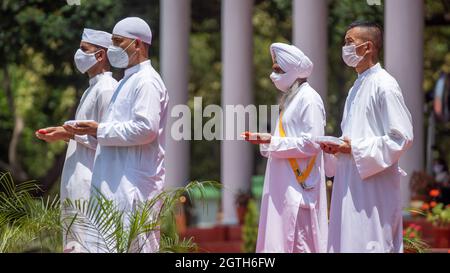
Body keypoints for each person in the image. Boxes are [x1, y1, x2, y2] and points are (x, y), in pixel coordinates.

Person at [64, 17, 169, 253]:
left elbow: (145, 129)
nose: (113, 49)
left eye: (118, 42)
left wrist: (97, 129)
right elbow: (114, 135)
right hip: (112, 187)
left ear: (138, 44)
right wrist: (83, 133)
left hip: (132, 188)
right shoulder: (126, 81)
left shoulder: (147, 81)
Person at [321, 21, 413, 253]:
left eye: (349, 43)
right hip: (349, 182)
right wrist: (337, 147)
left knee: (371, 244)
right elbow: (352, 138)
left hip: (374, 188)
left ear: (368, 47)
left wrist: (354, 148)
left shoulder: (385, 85)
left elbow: (401, 137)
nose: (345, 48)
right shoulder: (356, 87)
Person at [35, 28, 117, 252]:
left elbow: (109, 140)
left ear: (100, 55)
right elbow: (89, 135)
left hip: (89, 184)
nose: (78, 54)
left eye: (84, 49)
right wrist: (66, 133)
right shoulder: (92, 89)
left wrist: (70, 133)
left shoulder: (108, 89)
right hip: (76, 183)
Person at [242, 42, 328, 253]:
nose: (273, 75)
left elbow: (312, 142)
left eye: (278, 70)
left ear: (293, 72)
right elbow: (287, 139)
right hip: (283, 189)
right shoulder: (290, 99)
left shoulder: (309, 99)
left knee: (299, 245)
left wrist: (271, 142)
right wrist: (266, 140)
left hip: (298, 191)